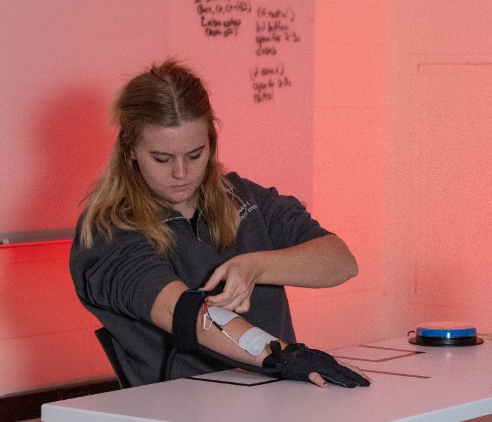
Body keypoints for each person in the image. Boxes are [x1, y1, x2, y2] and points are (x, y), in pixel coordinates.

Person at [70, 59, 369, 389]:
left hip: (275, 401)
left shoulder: (243, 198)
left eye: (195, 154)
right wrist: (283, 356)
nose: (181, 173)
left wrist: (255, 266)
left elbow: (341, 262)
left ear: (211, 143)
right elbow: (181, 312)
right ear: (130, 150)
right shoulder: (108, 229)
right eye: (161, 159)